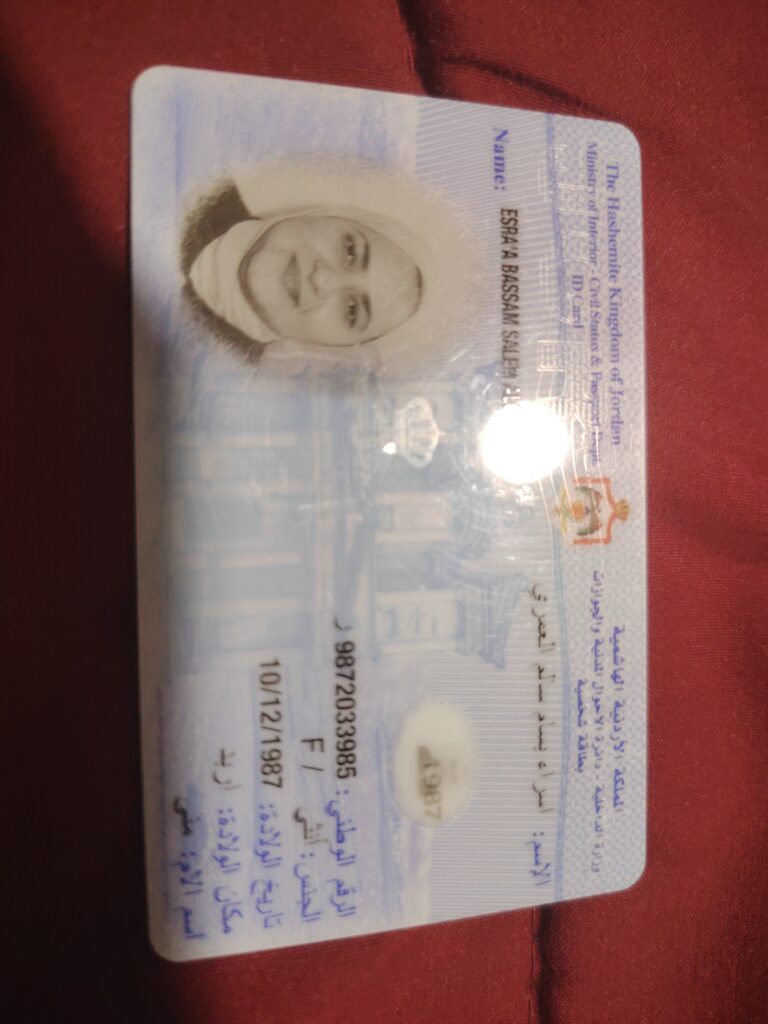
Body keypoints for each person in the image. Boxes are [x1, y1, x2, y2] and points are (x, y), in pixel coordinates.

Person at [181, 179, 424, 364]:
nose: (323, 279)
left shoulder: (221, 366)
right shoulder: (204, 189)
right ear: (321, 214)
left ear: (326, 347)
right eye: (350, 251)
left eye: (352, 310)